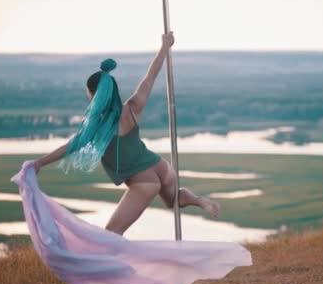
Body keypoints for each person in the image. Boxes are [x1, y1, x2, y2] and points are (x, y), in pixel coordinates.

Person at [32, 32, 220, 236]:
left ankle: (124, 268)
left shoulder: (99, 126)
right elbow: (151, 76)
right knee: (175, 201)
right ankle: (199, 201)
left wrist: (40, 162)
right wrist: (165, 46)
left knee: (111, 234)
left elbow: (71, 145)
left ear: (94, 95)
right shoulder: (132, 106)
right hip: (162, 167)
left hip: (145, 181)